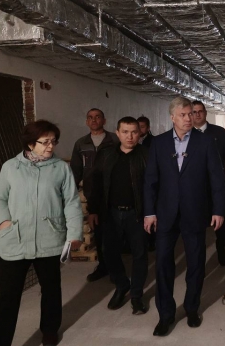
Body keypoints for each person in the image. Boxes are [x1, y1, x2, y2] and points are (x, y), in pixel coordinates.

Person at [0, 120, 83, 346]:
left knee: (51, 290)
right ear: (31, 143)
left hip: (49, 240)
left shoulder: (60, 168)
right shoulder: (10, 167)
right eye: (45, 142)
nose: (51, 146)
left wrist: (74, 233)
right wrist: (4, 223)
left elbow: (71, 202)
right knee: (8, 296)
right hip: (16, 240)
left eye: (54, 141)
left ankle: (50, 331)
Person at [144, 96, 225, 336]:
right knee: (163, 265)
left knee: (196, 263)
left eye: (191, 114)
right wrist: (149, 212)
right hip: (165, 213)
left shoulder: (205, 141)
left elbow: (217, 178)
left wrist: (218, 209)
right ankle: (165, 315)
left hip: (195, 212)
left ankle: (192, 309)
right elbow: (150, 181)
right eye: (183, 115)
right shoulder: (159, 143)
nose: (189, 118)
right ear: (172, 117)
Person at [87, 117, 149, 315]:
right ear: (117, 133)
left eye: (134, 132)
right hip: (111, 213)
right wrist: (93, 210)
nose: (130, 136)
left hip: (137, 214)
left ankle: (137, 296)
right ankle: (122, 285)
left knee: (140, 254)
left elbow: (155, 187)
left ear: (139, 133)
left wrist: (152, 213)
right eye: (125, 132)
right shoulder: (106, 155)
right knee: (109, 252)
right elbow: (96, 183)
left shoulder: (147, 155)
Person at [70, 108, 119, 283]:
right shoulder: (81, 144)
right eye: (90, 117)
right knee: (99, 233)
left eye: (97, 117)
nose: (94, 120)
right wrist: (71, 194)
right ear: (86, 122)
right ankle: (103, 266)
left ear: (104, 120)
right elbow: (75, 171)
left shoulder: (114, 140)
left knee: (115, 233)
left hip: (115, 193)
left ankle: (116, 268)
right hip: (93, 195)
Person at [192, 101, 225, 266]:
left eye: (200, 111)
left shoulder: (218, 132)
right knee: (196, 223)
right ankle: (198, 257)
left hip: (217, 186)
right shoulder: (186, 133)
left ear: (205, 113)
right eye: (194, 112)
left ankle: (221, 246)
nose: (197, 114)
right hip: (194, 188)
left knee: (222, 222)